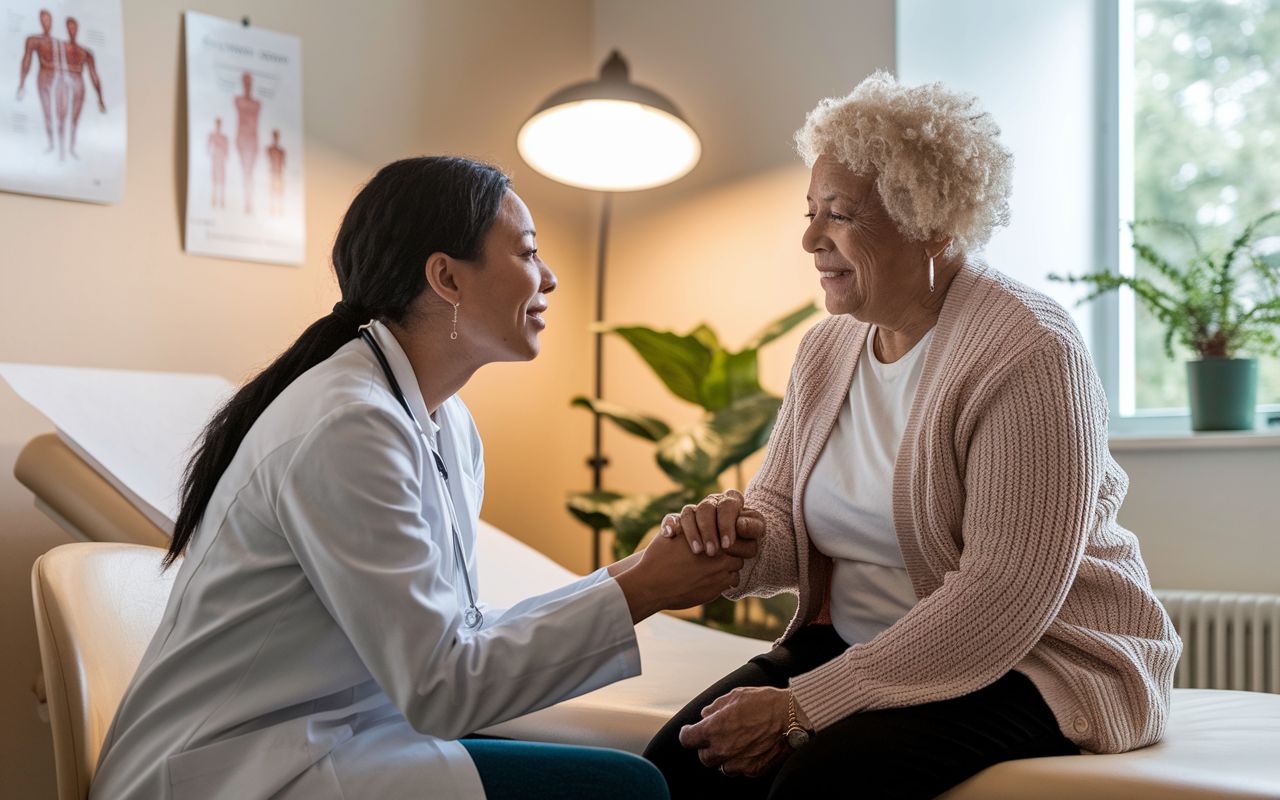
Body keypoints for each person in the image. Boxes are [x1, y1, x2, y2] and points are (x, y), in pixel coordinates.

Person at [90, 156, 751, 800]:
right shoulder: (349, 426)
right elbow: (442, 688)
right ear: (447, 278)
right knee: (625, 786)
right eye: (526, 253)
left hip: (340, 743)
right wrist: (642, 591)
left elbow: (455, 633)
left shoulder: (442, 420)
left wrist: (637, 572)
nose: (548, 278)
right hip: (238, 770)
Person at [644, 71, 1182, 799]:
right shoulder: (827, 349)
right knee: (671, 768)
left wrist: (806, 704)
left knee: (815, 786)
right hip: (864, 644)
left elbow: (1004, 595)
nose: (809, 239)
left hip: (1039, 659)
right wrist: (728, 537)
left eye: (839, 215)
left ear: (931, 222)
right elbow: (780, 523)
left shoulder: (1030, 349)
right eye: (809, 211)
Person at [235, 72, 261, 213]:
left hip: (252, 140)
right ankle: (247, 203)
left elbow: (256, 124)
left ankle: (249, 203)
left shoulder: (256, 103)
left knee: (249, 173)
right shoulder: (238, 100)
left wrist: (256, 143)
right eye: (245, 82)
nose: (247, 85)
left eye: (249, 82)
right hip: (242, 139)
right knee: (246, 172)